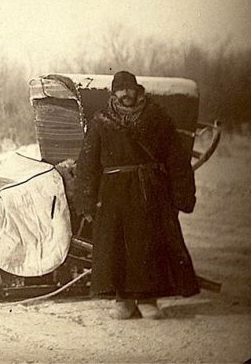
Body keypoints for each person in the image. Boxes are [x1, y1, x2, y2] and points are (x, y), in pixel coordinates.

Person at [74, 71, 200, 320]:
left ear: (138, 90)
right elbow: (87, 163)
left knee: (148, 245)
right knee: (117, 246)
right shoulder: (101, 122)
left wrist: (182, 194)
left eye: (129, 89)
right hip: (114, 194)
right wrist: (85, 201)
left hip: (149, 191)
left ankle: (147, 299)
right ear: (113, 94)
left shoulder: (156, 117)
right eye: (120, 90)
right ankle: (123, 300)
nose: (125, 94)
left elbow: (177, 159)